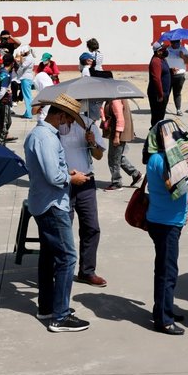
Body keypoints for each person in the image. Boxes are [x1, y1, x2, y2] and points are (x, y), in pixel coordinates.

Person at [23, 94, 91, 333]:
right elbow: (53, 177)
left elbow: (50, 170)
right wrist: (72, 177)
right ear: (60, 115)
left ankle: (48, 306)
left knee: (50, 257)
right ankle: (60, 316)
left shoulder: (42, 135)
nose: (70, 125)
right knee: (67, 258)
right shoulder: (46, 138)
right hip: (52, 204)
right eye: (69, 120)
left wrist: (66, 170)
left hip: (45, 202)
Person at [144, 120, 188, 335]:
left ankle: (165, 308)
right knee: (167, 271)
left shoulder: (154, 158)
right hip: (167, 222)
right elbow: (177, 188)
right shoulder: (166, 162)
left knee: (164, 268)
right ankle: (163, 319)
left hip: (162, 219)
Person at [59, 105, 108, 286]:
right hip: (64, 182)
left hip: (86, 181)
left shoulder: (89, 124)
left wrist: (92, 142)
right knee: (64, 229)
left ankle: (87, 271)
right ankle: (62, 270)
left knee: (91, 227)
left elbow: (98, 155)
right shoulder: (56, 125)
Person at [103, 97, 142, 191]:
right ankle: (135, 174)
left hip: (118, 133)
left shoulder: (115, 99)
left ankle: (116, 182)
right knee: (118, 157)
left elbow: (120, 119)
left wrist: (117, 136)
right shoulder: (113, 98)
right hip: (118, 132)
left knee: (113, 159)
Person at [147, 42, 172, 126]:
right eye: (163, 49)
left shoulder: (162, 59)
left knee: (160, 117)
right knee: (157, 118)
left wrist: (171, 71)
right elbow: (156, 79)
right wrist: (160, 94)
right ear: (158, 52)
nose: (166, 51)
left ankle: (158, 136)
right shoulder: (155, 61)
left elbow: (163, 72)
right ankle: (154, 136)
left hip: (164, 93)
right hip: (157, 94)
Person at [165, 39, 188, 117]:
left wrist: (183, 56)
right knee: (166, 92)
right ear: (171, 43)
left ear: (179, 42)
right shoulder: (167, 50)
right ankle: (163, 108)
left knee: (177, 93)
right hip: (169, 74)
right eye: (173, 42)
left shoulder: (183, 49)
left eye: (177, 42)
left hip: (179, 75)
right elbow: (163, 60)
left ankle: (178, 109)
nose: (175, 44)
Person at [16, 45, 36, 119]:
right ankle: (27, 112)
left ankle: (29, 113)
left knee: (27, 97)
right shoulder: (30, 58)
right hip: (28, 78)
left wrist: (18, 71)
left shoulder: (28, 59)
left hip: (26, 78)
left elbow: (22, 67)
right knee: (27, 96)